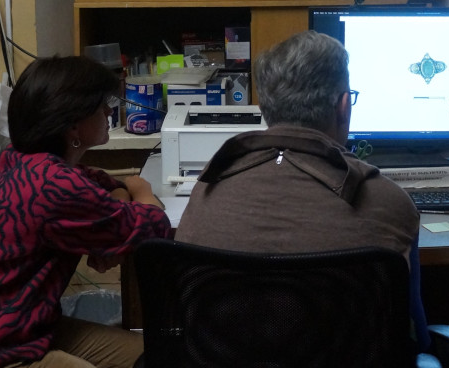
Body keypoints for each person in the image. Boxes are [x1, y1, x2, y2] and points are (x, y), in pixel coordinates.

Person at [175, 29, 429, 351]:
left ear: (264, 107)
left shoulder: (208, 187)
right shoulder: (390, 202)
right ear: (343, 106)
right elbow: (416, 334)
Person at [0, 56, 172, 368]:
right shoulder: (53, 186)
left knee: (152, 355)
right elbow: (153, 226)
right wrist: (141, 189)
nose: (109, 112)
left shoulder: (18, 158)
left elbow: (103, 185)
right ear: (73, 124)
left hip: (11, 327)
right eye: (101, 106)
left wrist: (111, 229)